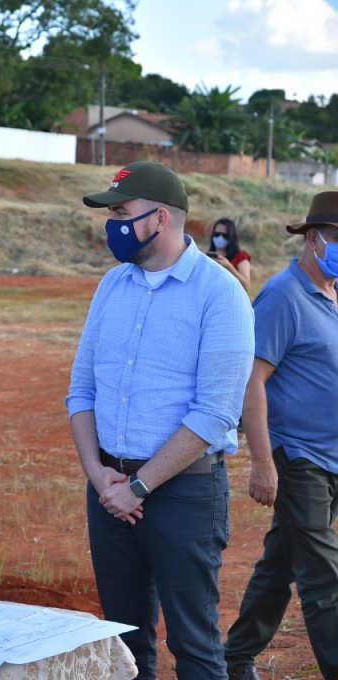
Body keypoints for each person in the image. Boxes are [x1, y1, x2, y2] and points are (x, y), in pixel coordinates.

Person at [65, 161, 254, 679]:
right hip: (109, 490)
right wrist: (98, 474)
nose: (113, 224)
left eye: (122, 212)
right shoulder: (112, 286)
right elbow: (82, 391)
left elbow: (216, 413)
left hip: (184, 496)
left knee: (194, 646)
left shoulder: (221, 294)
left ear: (161, 219)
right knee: (125, 646)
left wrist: (140, 486)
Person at [223, 192, 338, 680]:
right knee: (324, 578)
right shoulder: (283, 296)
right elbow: (253, 378)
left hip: (330, 457)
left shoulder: (333, 294)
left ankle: (235, 656)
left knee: (279, 565)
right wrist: (263, 462)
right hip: (299, 459)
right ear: (313, 240)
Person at [208, 217, 252, 290]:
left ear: (231, 236)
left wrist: (229, 267)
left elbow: (246, 285)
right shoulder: (208, 256)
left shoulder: (240, 256)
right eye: (217, 234)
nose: (220, 238)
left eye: (225, 236)